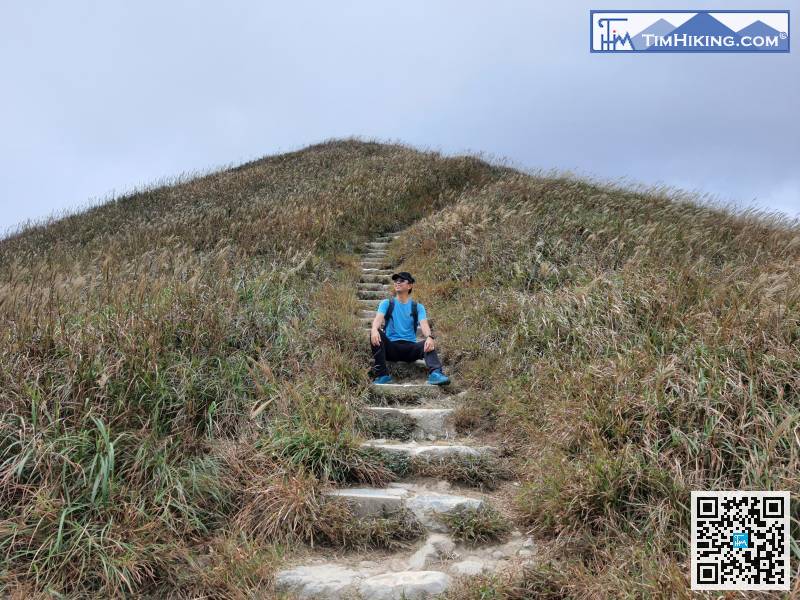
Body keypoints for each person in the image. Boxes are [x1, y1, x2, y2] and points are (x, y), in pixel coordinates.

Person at [369, 271, 450, 385]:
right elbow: (377, 320)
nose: (397, 283)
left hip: (410, 349)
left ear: (410, 285)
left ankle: (436, 374)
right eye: (396, 281)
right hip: (391, 348)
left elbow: (424, 325)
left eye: (401, 281)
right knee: (375, 331)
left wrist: (429, 337)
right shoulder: (387, 303)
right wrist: (374, 330)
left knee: (428, 342)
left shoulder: (417, 307)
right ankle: (382, 375)